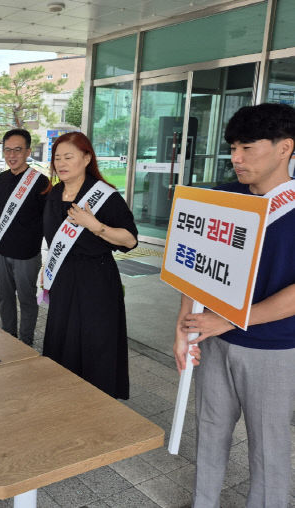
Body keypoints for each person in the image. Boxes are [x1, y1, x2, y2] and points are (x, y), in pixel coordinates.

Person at [173, 103, 295, 508]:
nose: (235, 158)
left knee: (268, 445)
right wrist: (183, 326)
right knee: (209, 430)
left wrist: (228, 320)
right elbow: (192, 265)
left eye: (247, 147)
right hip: (213, 341)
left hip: (273, 348)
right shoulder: (221, 198)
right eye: (232, 147)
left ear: (284, 148)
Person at [42, 131, 137, 399]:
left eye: (68, 157)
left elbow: (129, 240)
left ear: (86, 158)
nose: (61, 163)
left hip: (96, 282)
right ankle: (67, 398)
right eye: (57, 157)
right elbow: (52, 240)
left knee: (96, 342)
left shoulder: (104, 195)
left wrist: (95, 226)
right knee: (64, 339)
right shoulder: (53, 193)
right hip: (63, 280)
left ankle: (99, 403)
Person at [0, 128, 50, 346]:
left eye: (17, 150)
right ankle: (8, 339)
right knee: (5, 298)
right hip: (2, 251)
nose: (12, 155)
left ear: (28, 152)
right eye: (7, 150)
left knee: (26, 299)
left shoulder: (40, 182)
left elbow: (47, 221)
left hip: (27, 254)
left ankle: (25, 343)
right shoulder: (0, 180)